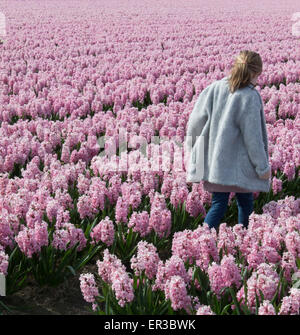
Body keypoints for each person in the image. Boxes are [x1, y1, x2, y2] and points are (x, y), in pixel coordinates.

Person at [185, 50, 271, 230]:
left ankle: (203, 238)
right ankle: (244, 238)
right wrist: (262, 167)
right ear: (254, 73)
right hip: (242, 167)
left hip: (216, 164)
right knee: (245, 203)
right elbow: (253, 138)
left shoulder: (214, 88)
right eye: (258, 76)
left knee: (218, 204)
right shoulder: (249, 96)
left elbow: (194, 123)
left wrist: (194, 151)